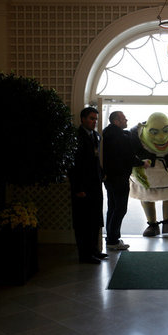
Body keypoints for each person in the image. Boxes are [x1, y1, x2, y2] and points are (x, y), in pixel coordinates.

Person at [103, 111, 149, 250]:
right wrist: (142, 163)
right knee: (120, 209)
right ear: (116, 121)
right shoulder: (121, 136)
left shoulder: (105, 133)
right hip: (119, 177)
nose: (126, 119)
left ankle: (111, 238)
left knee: (112, 208)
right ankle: (113, 240)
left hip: (109, 177)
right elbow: (128, 156)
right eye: (123, 118)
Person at [69, 107, 107, 264]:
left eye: (96, 119)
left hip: (95, 185)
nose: (94, 121)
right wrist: (78, 188)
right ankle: (84, 255)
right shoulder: (75, 137)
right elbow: (73, 165)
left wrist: (102, 173)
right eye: (91, 118)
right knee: (83, 223)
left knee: (94, 220)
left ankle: (94, 250)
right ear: (83, 119)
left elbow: (95, 160)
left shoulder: (96, 136)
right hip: (82, 187)